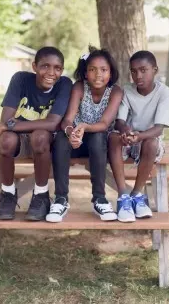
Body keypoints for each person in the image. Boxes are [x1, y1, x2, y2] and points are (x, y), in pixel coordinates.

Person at [0, 46, 72, 221]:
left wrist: (3, 126)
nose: (51, 72)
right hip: (21, 139)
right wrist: (6, 126)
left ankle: (41, 195)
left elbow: (52, 123)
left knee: (39, 135)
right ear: (34, 66)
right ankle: (8, 194)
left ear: (61, 70)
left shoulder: (64, 84)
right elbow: (7, 117)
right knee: (6, 141)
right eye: (45, 66)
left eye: (57, 68)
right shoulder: (21, 80)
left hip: (46, 142)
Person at [47, 46, 123, 223]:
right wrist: (70, 132)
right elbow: (67, 120)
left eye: (104, 70)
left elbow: (104, 124)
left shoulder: (115, 92)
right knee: (60, 138)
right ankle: (61, 199)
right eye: (92, 69)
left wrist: (83, 127)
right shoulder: (79, 87)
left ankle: (99, 199)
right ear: (85, 73)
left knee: (97, 138)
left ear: (111, 73)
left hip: (99, 145)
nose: (98, 74)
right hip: (75, 141)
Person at [108, 50, 169, 223]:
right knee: (113, 138)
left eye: (143, 70)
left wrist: (139, 136)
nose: (138, 75)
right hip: (129, 139)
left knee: (151, 142)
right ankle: (123, 197)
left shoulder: (164, 93)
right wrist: (125, 130)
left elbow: (158, 129)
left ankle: (136, 194)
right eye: (134, 71)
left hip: (148, 140)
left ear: (155, 70)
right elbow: (119, 121)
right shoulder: (127, 90)